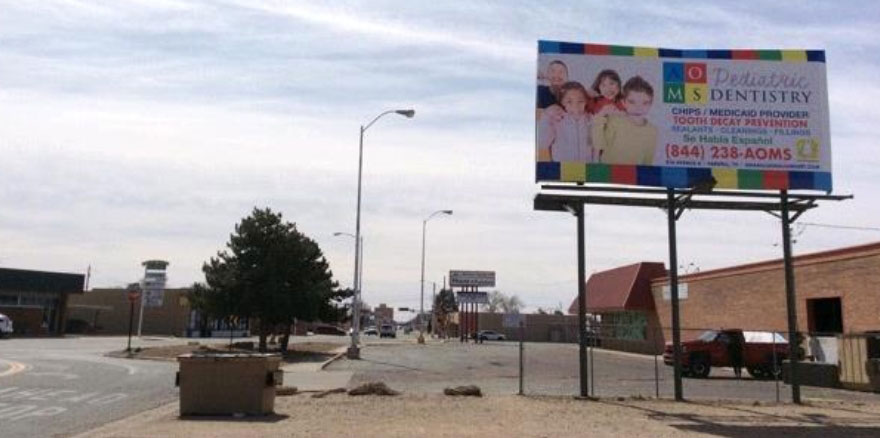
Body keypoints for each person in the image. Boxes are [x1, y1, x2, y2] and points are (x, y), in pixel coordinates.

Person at [591, 75, 657, 165]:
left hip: (632, 174)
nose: (638, 108)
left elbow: (648, 159)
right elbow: (599, 144)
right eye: (632, 102)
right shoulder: (615, 121)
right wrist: (600, 117)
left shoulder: (652, 130)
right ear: (623, 102)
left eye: (645, 103)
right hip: (609, 172)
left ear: (651, 103)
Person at [537, 81, 594, 162]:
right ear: (562, 102)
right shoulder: (557, 120)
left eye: (580, 101)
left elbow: (595, 145)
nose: (575, 106)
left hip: (586, 169)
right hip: (563, 169)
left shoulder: (591, 119)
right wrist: (546, 117)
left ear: (586, 101)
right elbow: (543, 143)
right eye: (569, 102)